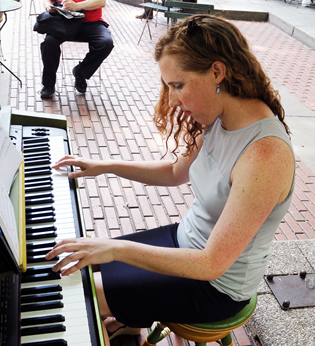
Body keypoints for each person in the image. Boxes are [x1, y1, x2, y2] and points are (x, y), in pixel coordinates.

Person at [46, 15, 295, 344]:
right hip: (185, 240)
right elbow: (176, 172)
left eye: (178, 85)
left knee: (83, 288)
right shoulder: (221, 116)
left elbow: (210, 265)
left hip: (216, 287)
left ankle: (125, 317)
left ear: (217, 72)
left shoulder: (265, 156)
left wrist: (115, 249)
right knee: (87, 263)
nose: (173, 98)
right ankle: (129, 323)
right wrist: (103, 165)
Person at [39, 0, 114, 98]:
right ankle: (48, 85)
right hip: (64, 22)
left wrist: (76, 6)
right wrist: (49, 7)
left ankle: (80, 72)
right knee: (49, 42)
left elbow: (101, 2)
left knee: (106, 43)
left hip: (91, 23)